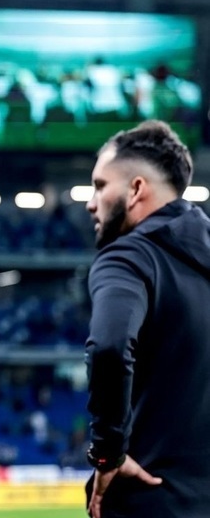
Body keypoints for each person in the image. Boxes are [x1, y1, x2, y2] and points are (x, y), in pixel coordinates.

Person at [84, 119, 210, 518]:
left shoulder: (127, 257)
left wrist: (108, 451)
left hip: (151, 497)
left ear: (136, 188)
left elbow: (109, 347)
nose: (91, 203)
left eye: (100, 185)